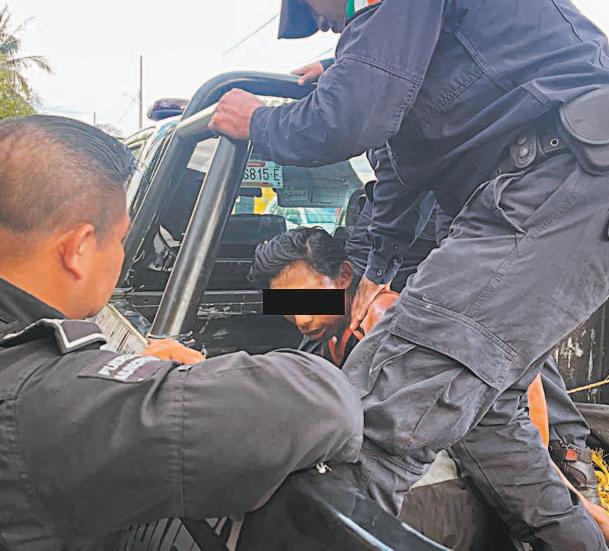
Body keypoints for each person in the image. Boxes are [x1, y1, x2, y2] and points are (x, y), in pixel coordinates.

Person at [210, 0, 609, 547]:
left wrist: (260, 122)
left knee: (364, 429)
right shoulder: (326, 309)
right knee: (489, 424)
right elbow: (395, 166)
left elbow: (349, 118)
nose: (323, 23)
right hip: (532, 190)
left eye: (312, 10)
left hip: (556, 177)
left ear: (340, 276)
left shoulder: (354, 300)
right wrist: (380, 269)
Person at [0, 115, 363, 550]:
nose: (300, 319)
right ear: (78, 250)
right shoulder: (42, 400)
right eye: (120, 240)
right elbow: (324, 402)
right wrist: (201, 377)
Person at [249, 226, 609, 547]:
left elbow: (512, 410)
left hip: (462, 471)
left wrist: (565, 492)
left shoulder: (385, 321)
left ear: (344, 275)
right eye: (287, 310)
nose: (301, 319)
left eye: (306, 299)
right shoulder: (328, 338)